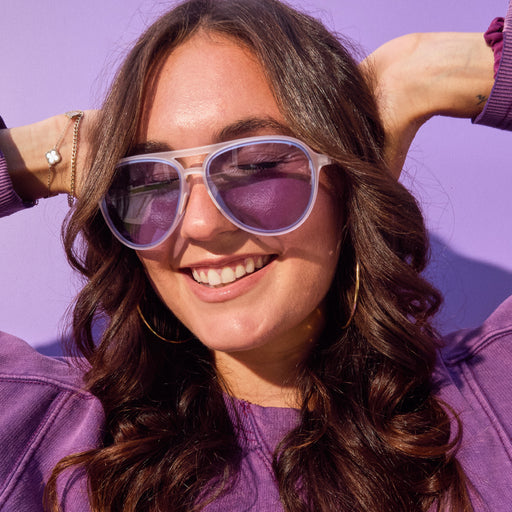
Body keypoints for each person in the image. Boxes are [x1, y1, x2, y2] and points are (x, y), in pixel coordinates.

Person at [0, 0, 511, 510]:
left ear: (347, 179)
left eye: (256, 165)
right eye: (150, 180)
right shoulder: (47, 433)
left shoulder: (491, 398)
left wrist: (421, 71)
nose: (198, 224)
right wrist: (56, 151)